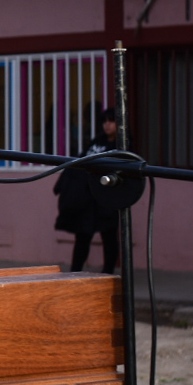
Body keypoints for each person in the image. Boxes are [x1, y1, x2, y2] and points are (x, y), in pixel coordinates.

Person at [53, 108, 121, 274]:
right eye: (105, 121)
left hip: (106, 198)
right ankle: (75, 272)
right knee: (83, 236)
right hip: (86, 198)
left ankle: (108, 274)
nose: (107, 125)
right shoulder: (96, 141)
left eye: (111, 121)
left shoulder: (121, 145)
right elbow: (80, 162)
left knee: (109, 235)